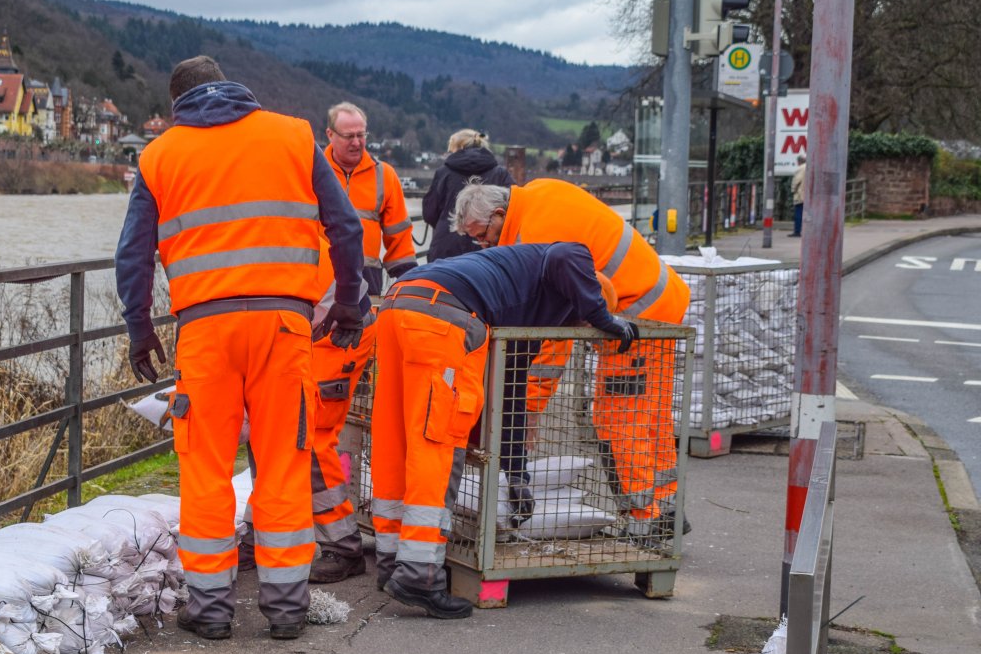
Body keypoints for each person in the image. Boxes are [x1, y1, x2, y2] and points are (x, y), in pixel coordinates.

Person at [115, 55, 365, 642]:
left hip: (205, 331)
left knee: (205, 469)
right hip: (285, 326)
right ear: (230, 86)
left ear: (179, 105)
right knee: (282, 463)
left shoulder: (160, 154)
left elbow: (133, 254)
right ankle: (285, 608)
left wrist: (138, 326)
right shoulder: (293, 135)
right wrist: (350, 302)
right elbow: (345, 228)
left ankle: (210, 609)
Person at [372, 242, 638, 619]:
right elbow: (569, 255)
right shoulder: (567, 264)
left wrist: (517, 473)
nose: (578, 332)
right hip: (443, 320)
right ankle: (419, 576)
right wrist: (605, 319)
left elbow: (510, 395)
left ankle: (391, 562)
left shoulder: (520, 293)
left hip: (399, 304)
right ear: (583, 299)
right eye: (585, 324)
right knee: (438, 445)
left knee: (395, 438)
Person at [451, 178, 691, 538]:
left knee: (617, 419)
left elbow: (551, 339)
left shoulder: (536, 234)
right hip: (659, 302)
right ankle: (666, 507)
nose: (482, 244)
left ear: (500, 214)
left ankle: (644, 519)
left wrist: (527, 409)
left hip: (635, 317)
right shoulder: (540, 193)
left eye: (482, 235)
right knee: (651, 412)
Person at [241, 239, 377, 585]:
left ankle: (344, 545)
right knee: (269, 434)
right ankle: (261, 533)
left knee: (312, 438)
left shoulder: (276, 233)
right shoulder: (262, 228)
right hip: (298, 331)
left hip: (334, 334)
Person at [323, 102, 417, 294]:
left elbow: (399, 233)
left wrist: (409, 281)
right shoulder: (312, 171)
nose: (356, 143)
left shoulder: (385, 175)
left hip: (366, 280)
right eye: (349, 136)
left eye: (361, 135)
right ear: (330, 135)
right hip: (319, 277)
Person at [422, 129, 515, 262]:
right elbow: (513, 209)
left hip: (446, 248)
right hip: (489, 250)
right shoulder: (500, 173)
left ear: (457, 147)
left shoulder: (443, 172)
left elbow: (430, 213)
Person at [790, 154, 807, 237]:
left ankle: (797, 231)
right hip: (807, 194)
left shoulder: (801, 168)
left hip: (800, 194)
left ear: (799, 161)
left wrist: (793, 190)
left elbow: (797, 181)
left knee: (798, 213)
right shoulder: (809, 167)